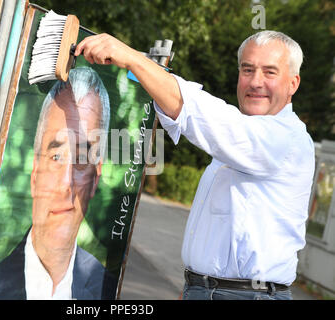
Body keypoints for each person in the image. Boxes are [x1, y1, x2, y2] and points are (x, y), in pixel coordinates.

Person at [74, 30, 315, 300]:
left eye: (270, 72)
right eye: (247, 70)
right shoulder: (246, 140)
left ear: (293, 83)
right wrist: (196, 285)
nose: (256, 82)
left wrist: (133, 60)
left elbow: (203, 116)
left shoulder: (285, 139)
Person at [0, 67, 117, 300]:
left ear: (94, 179)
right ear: (35, 173)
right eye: (56, 157)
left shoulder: (108, 291)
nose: (65, 184)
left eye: (81, 160)